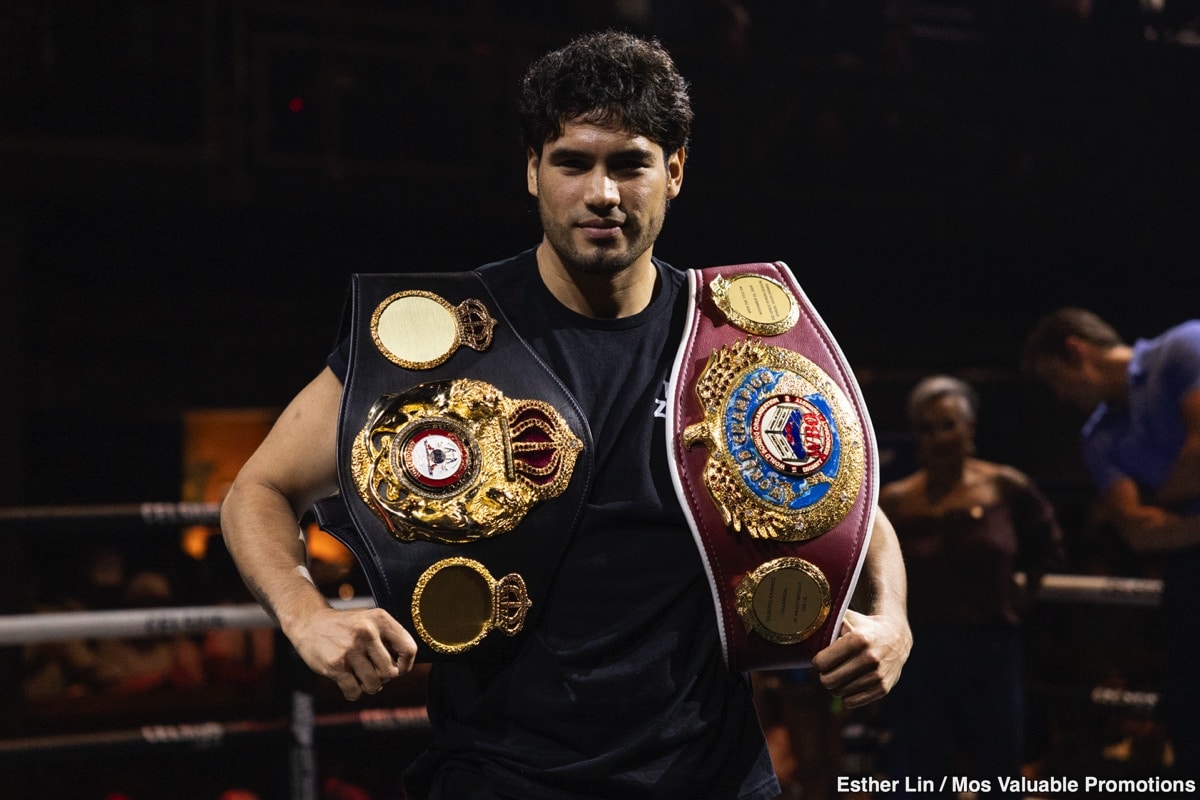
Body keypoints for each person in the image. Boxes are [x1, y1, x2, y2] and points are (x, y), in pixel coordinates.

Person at [221, 30, 911, 800]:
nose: (602, 193)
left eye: (630, 164)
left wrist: (892, 618)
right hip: (501, 780)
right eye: (573, 162)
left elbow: (849, 499)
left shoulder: (731, 337)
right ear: (532, 170)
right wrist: (305, 613)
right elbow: (259, 490)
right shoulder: (444, 339)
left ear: (675, 171)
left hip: (715, 778)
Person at [1022, 308, 1200, 779]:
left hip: (1182, 546)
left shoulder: (1183, 347)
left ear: (1075, 351)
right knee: (1189, 714)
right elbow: (1138, 531)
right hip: (1187, 572)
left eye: (1054, 379)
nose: (1060, 397)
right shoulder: (1097, 435)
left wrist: (1163, 504)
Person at [878, 375, 1064, 793]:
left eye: (948, 425)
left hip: (991, 648)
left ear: (970, 428)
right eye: (927, 428)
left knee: (999, 767)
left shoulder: (1004, 485)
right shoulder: (896, 499)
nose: (938, 437)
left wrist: (1024, 597)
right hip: (920, 653)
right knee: (925, 772)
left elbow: (1046, 543)